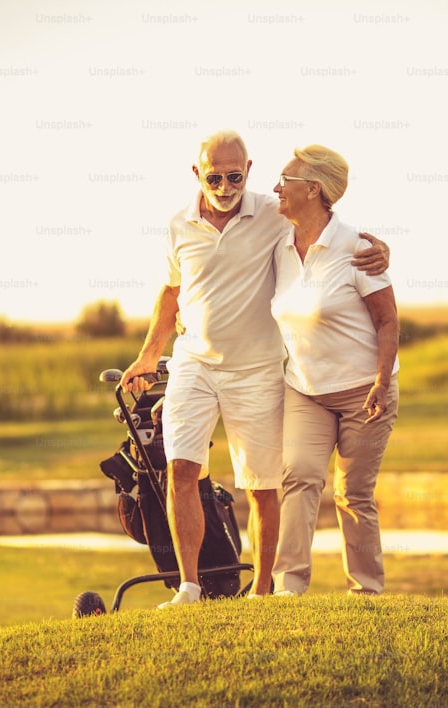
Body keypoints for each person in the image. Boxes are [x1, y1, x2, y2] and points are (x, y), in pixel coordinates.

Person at [121, 131, 389, 607]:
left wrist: (381, 251)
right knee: (181, 467)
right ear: (196, 174)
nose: (225, 186)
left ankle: (265, 590)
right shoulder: (177, 225)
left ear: (249, 168)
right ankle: (189, 587)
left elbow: (325, 226)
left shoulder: (273, 212)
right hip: (195, 362)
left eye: (235, 176)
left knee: (263, 486)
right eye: (214, 177)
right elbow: (170, 292)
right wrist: (148, 354)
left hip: (259, 371)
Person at [270, 145, 400, 597]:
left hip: (365, 390)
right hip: (305, 389)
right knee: (299, 476)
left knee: (353, 493)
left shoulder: (357, 249)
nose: (275, 188)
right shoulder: (278, 242)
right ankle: (289, 588)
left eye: (284, 180)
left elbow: (387, 321)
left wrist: (383, 382)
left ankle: (365, 591)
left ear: (313, 189)